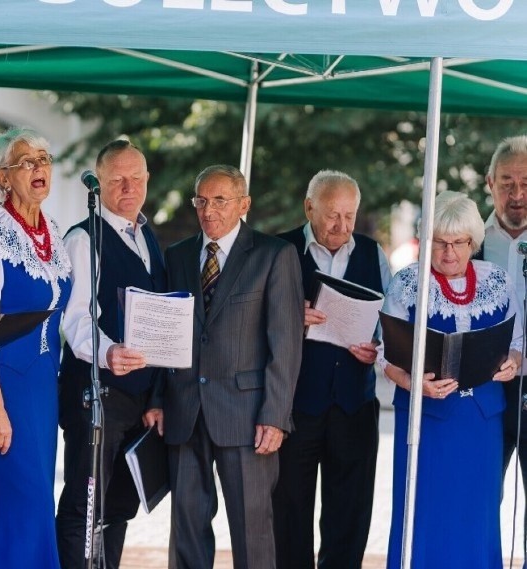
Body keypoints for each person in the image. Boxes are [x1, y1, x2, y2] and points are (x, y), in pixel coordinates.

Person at [145, 164, 304, 569]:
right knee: (186, 530)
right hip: (184, 412)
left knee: (253, 532)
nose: (208, 210)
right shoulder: (178, 255)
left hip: (248, 417)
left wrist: (275, 415)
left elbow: (285, 343)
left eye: (220, 200)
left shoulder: (275, 255)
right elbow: (167, 332)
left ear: (244, 204)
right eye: (201, 200)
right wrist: (159, 398)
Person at [381, 190, 521, 568]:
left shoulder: (498, 281)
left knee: (478, 517)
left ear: (473, 242)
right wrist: (414, 383)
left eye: (458, 243)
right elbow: (384, 356)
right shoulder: (408, 283)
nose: (448, 253)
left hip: (481, 423)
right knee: (423, 515)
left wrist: (511, 361)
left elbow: (518, 343)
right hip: (427, 424)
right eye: (440, 242)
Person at [0, 127, 72, 569]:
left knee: (35, 501)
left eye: (44, 159)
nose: (39, 167)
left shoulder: (52, 232)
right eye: (27, 161)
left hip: (41, 388)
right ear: (4, 177)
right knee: (11, 504)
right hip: (1, 385)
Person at [272, 170, 390, 569]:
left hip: (354, 406)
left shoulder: (373, 254)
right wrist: (289, 317)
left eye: (350, 215)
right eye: (332, 215)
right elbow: (251, 325)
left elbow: (391, 324)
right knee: (288, 514)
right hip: (294, 408)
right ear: (309, 208)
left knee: (350, 517)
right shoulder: (280, 250)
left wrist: (378, 348)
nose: (342, 226)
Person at [57, 140, 166, 568]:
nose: (128, 187)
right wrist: (108, 354)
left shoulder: (147, 236)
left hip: (138, 399)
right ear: (99, 182)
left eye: (136, 178)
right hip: (96, 396)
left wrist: (157, 396)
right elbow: (77, 319)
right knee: (84, 509)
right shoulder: (84, 239)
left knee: (119, 506)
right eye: (117, 179)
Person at [480, 135, 527, 550]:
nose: (517, 194)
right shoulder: (468, 240)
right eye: (508, 182)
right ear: (489, 183)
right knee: (480, 496)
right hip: (484, 388)